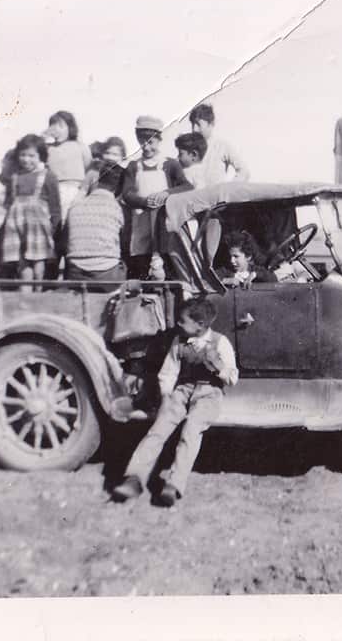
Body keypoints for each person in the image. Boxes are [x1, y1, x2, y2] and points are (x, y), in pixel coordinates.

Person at [112, 297, 237, 507]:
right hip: (182, 390)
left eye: (182, 321)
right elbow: (168, 373)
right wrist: (166, 397)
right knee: (158, 429)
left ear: (200, 325)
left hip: (210, 393)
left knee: (191, 430)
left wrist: (219, 367)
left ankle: (174, 484)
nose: (178, 324)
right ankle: (134, 478)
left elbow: (233, 379)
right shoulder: (178, 342)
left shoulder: (220, 342)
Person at [120, 115, 191, 278]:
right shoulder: (133, 166)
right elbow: (127, 193)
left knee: (166, 261)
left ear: (159, 140)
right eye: (142, 142)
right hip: (141, 223)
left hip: (164, 223)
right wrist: (144, 201)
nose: (146, 147)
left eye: (150, 142)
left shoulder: (169, 164)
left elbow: (187, 187)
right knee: (142, 265)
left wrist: (166, 194)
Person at [0, 134, 62, 289]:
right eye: (23, 155)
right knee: (22, 262)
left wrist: (54, 228)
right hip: (17, 226)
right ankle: (26, 293)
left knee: (38, 260)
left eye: (31, 156)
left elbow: (55, 207)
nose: (26, 159)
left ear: (41, 156)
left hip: (38, 228)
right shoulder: (15, 177)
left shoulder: (48, 176)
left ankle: (38, 290)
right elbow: (9, 202)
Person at [63, 162, 128, 290]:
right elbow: (124, 242)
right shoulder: (116, 208)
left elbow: (66, 241)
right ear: (119, 188)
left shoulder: (76, 206)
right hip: (107, 274)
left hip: (76, 273)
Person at [42, 110, 90, 216]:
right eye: (53, 126)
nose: (57, 129)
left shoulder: (80, 146)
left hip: (75, 191)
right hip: (53, 190)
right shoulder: (48, 148)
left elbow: (88, 167)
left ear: (70, 127)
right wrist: (43, 137)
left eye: (61, 126)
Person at [188, 103, 251, 186]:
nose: (194, 129)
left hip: (216, 197)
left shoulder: (222, 146)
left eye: (198, 124)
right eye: (193, 124)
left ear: (211, 124)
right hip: (195, 198)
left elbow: (244, 171)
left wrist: (228, 190)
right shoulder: (187, 150)